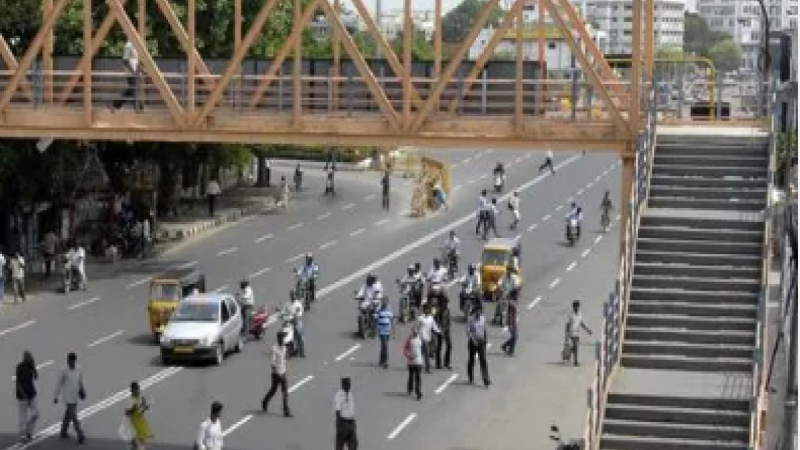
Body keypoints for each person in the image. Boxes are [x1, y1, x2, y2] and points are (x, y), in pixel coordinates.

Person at [54, 352, 86, 444]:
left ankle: (63, 432)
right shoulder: (64, 370)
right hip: (67, 398)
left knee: (68, 415)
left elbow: (80, 381)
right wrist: (56, 396)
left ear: (74, 361)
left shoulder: (79, 369)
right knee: (74, 417)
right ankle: (80, 434)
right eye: (68, 360)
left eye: (70, 361)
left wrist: (82, 391)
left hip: (75, 396)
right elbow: (59, 384)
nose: (68, 362)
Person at [262, 331, 292, 417]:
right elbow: (272, 363)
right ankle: (264, 401)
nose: (284, 340)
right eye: (283, 338)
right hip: (276, 374)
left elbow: (284, 359)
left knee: (285, 392)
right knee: (273, 390)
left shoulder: (284, 348)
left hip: (283, 372)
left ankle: (286, 411)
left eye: (284, 338)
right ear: (279, 339)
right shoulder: (274, 348)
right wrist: (276, 372)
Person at [111, 40, 143, 112]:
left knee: (132, 89)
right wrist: (132, 71)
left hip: (135, 72)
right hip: (130, 72)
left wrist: (141, 70)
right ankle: (138, 108)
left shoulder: (136, 45)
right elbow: (125, 60)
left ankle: (115, 105)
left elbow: (136, 60)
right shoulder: (129, 45)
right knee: (133, 89)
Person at [16, 351, 39, 443]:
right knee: (23, 416)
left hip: (31, 394)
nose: (29, 358)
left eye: (30, 357)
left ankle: (28, 431)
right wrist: (23, 394)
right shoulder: (20, 367)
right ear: (24, 358)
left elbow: (36, 377)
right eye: (27, 357)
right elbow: (18, 383)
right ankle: (22, 435)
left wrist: (34, 366)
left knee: (36, 413)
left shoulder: (31, 366)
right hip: (22, 396)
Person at [122, 381, 152, 450]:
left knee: (141, 441)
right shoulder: (129, 399)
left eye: (138, 389)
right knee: (134, 443)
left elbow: (141, 411)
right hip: (131, 422)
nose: (137, 391)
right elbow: (127, 413)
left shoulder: (141, 398)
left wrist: (145, 407)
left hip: (139, 421)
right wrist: (133, 409)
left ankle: (139, 447)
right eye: (136, 389)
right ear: (132, 390)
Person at [466, 306, 491, 388]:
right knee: (471, 360)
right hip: (473, 342)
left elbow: (484, 329)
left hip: (481, 342)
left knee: (483, 360)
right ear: (475, 311)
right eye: (477, 311)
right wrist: (473, 341)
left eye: (480, 312)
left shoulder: (483, 318)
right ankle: (470, 377)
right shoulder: (470, 319)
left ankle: (486, 379)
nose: (479, 313)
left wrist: (486, 338)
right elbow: (468, 331)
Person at [334, 377, 358, 450]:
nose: (349, 385)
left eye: (349, 383)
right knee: (340, 445)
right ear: (343, 384)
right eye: (347, 383)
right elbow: (337, 411)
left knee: (354, 445)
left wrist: (354, 423)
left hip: (351, 423)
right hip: (343, 423)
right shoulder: (339, 395)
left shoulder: (350, 393)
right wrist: (339, 425)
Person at [566, 300, 593, 366]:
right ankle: (575, 362)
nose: (577, 308)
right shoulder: (571, 314)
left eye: (577, 306)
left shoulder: (580, 314)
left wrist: (587, 330)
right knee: (576, 347)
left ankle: (569, 353)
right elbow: (568, 324)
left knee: (576, 347)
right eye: (575, 306)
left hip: (577, 333)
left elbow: (581, 323)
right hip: (571, 332)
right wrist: (567, 334)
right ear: (573, 307)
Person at [416, 304, 440, 373]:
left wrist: (439, 332)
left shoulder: (431, 318)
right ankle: (425, 367)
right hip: (421, 338)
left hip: (428, 337)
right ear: (424, 310)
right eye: (426, 309)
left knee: (424, 353)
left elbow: (434, 326)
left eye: (428, 309)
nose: (427, 310)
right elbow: (416, 327)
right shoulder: (420, 318)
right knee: (424, 353)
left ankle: (424, 367)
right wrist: (415, 335)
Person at [403, 327, 423, 401]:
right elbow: (404, 349)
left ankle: (418, 392)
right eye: (414, 332)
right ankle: (410, 389)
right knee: (411, 376)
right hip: (411, 362)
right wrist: (408, 355)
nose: (415, 333)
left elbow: (424, 348)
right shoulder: (409, 339)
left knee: (418, 377)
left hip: (418, 361)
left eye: (416, 332)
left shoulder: (420, 339)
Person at [375, 298, 394, 368]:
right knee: (385, 345)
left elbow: (391, 320)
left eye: (386, 302)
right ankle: (386, 361)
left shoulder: (389, 310)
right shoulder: (378, 310)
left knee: (383, 346)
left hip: (387, 330)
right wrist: (376, 329)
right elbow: (376, 320)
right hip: (381, 330)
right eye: (383, 302)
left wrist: (393, 330)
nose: (384, 303)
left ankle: (381, 360)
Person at [434, 299, 452, 370]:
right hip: (440, 331)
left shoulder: (447, 310)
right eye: (445, 303)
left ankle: (447, 362)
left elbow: (448, 320)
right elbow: (436, 321)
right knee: (439, 347)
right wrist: (440, 330)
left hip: (446, 330)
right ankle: (438, 363)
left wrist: (447, 328)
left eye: (447, 303)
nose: (446, 304)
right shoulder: (438, 311)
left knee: (449, 345)